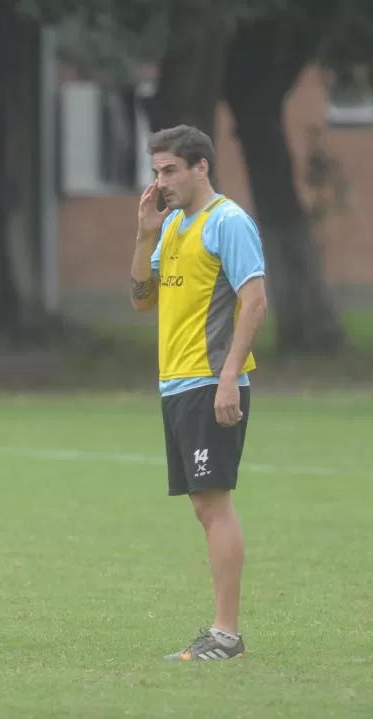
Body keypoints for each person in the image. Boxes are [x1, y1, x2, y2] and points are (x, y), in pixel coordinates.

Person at [130, 125, 268, 661]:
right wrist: (144, 235)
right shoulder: (170, 228)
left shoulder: (228, 221)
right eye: (156, 171)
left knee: (214, 505)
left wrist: (230, 375)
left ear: (201, 167)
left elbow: (255, 302)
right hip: (177, 384)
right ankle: (222, 634)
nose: (160, 182)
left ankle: (226, 637)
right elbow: (142, 300)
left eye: (169, 170)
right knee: (203, 506)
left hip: (212, 380)